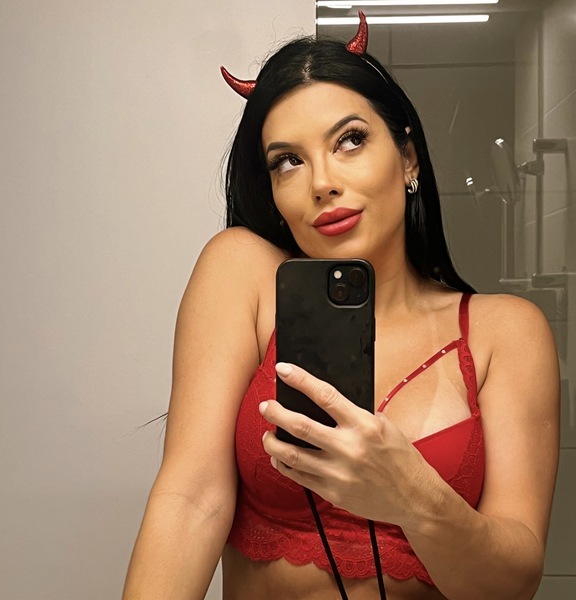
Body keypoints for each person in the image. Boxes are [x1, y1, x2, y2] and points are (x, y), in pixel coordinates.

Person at [122, 13, 559, 600]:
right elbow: (191, 500)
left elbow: (513, 582)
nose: (321, 182)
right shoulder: (243, 274)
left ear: (408, 158)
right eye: (288, 161)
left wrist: (412, 495)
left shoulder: (504, 332)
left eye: (350, 140)